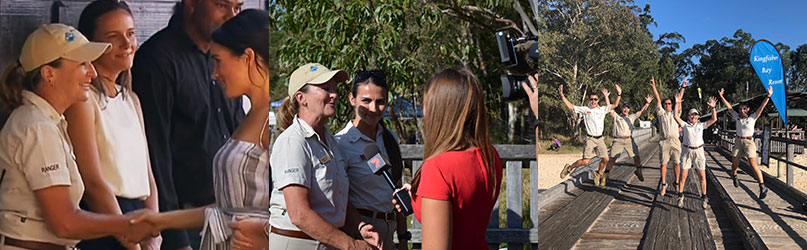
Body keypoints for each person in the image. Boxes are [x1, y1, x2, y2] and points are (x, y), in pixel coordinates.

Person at [0, 23, 157, 250]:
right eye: (83, 64)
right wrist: (127, 225)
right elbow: (64, 223)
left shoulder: (46, 122)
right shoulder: (36, 127)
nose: (92, 73)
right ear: (48, 73)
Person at [126, 9, 272, 250]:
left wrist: (266, 235)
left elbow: (305, 202)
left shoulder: (271, 122)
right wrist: (159, 219)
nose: (214, 74)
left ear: (246, 57)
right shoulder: (250, 117)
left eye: (218, 61)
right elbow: (226, 209)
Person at [65, 1, 161, 249]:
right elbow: (93, 182)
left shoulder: (132, 99)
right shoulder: (84, 100)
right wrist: (129, 240)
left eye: (130, 34)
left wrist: (154, 228)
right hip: (106, 222)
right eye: (113, 37)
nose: (127, 44)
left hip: (139, 218)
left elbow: (147, 175)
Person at [270, 63, 380, 250]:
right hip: (298, 243)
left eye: (335, 89)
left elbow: (336, 199)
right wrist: (351, 245)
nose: (334, 95)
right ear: (301, 98)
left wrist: (360, 227)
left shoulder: (330, 141)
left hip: (326, 241)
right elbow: (299, 214)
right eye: (325, 88)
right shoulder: (293, 142)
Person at [392, 68, 503, 249]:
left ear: (439, 110)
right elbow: (464, 201)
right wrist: (420, 195)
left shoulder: (438, 168)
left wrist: (430, 187)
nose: (424, 110)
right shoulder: (489, 154)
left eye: (426, 103)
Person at [335, 70, 409, 250]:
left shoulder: (389, 138)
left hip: (389, 232)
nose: (374, 109)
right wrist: (360, 228)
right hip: (359, 233)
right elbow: (339, 197)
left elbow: (397, 188)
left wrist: (403, 238)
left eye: (380, 102)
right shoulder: (340, 143)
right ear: (352, 99)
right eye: (366, 101)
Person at [558, 84, 622, 187]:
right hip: (590, 138)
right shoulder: (585, 109)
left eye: (595, 99)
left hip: (600, 138)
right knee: (586, 161)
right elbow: (571, 106)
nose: (593, 101)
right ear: (589, 100)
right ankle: (569, 168)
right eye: (591, 99)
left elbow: (615, 105)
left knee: (606, 159)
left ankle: (598, 173)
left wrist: (619, 94)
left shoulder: (602, 109)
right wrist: (562, 95)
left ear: (598, 100)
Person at [718, 86, 773, 199]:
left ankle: (762, 186)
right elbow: (729, 107)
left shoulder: (752, 117)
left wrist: (768, 96)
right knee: (734, 163)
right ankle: (734, 176)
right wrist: (721, 97)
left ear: (747, 109)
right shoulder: (737, 117)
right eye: (740, 109)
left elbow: (761, 108)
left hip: (748, 142)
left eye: (744, 109)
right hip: (738, 141)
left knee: (753, 164)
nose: (741, 111)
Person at [672, 92, 718, 208]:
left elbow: (714, 119)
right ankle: (680, 195)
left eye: (695, 115)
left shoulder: (701, 125)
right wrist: (677, 103)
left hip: (699, 151)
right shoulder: (685, 125)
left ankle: (704, 197)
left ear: (698, 117)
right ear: (688, 116)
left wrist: (713, 107)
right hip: (686, 151)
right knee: (683, 175)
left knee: (702, 176)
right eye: (692, 115)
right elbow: (675, 116)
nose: (694, 117)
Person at [602, 95, 654, 185]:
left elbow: (642, 111)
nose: (626, 110)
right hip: (618, 140)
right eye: (624, 108)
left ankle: (639, 171)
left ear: (629, 110)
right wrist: (607, 97)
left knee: (636, 156)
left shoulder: (632, 117)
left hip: (629, 140)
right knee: (612, 158)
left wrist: (648, 103)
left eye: (627, 108)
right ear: (622, 109)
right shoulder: (617, 116)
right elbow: (609, 108)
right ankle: (605, 175)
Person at [650, 76, 686, 196]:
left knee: (677, 163)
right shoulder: (661, 113)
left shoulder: (676, 113)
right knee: (663, 163)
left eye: (669, 103)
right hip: (664, 141)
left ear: (672, 105)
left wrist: (683, 87)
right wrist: (654, 87)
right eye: (666, 104)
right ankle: (664, 184)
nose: (667, 105)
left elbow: (679, 100)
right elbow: (658, 99)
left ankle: (676, 183)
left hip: (675, 141)